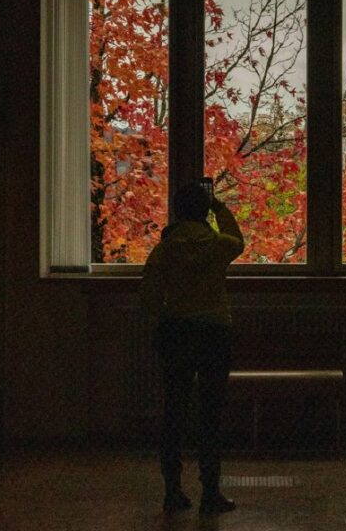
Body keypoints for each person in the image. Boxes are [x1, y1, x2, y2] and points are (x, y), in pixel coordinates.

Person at [140, 181, 245, 515]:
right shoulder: (216, 246)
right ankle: (210, 492)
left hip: (177, 333)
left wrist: (160, 325)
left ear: (176, 211)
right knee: (211, 414)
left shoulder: (166, 250)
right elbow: (238, 241)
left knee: (173, 412)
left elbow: (149, 298)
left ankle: (173, 491)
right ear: (203, 211)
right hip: (214, 333)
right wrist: (219, 207)